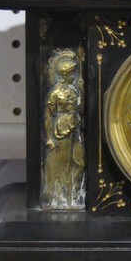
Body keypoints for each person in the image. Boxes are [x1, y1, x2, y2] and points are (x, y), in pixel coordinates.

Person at [43, 49, 85, 209]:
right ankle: (62, 200)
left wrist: (82, 91)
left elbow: (81, 110)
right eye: (72, 73)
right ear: (65, 74)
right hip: (61, 128)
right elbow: (47, 116)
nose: (74, 76)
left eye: (75, 72)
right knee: (63, 164)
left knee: (78, 162)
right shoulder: (55, 93)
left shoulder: (75, 90)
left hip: (76, 126)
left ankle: (74, 195)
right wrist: (48, 138)